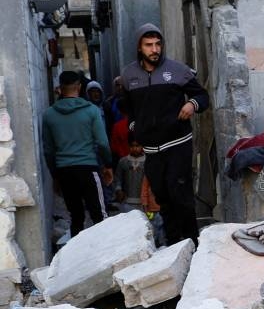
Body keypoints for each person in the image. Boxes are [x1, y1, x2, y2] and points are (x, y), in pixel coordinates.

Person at [119, 23, 209, 245]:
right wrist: (134, 127)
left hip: (178, 143)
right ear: (140, 48)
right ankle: (174, 243)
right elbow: (127, 107)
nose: (154, 49)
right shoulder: (129, 75)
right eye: (149, 45)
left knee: (180, 193)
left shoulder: (178, 70)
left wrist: (192, 105)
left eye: (158, 44)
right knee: (162, 196)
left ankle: (192, 242)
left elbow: (202, 96)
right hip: (151, 149)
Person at [42, 70, 112, 236]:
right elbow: (102, 142)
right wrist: (108, 165)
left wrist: (55, 175)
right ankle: (105, 253)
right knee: (99, 215)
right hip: (88, 168)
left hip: (64, 171)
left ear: (60, 88)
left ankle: (77, 259)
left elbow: (48, 150)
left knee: (76, 216)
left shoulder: (49, 115)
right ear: (79, 87)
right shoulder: (91, 110)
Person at [114, 138, 146, 212]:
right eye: (132, 146)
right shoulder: (123, 161)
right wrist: (118, 189)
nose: (134, 148)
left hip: (143, 202)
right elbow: (118, 178)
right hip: (126, 201)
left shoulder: (147, 162)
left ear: (142, 146)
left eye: (137, 146)